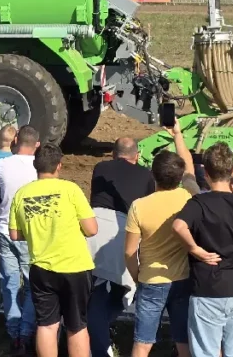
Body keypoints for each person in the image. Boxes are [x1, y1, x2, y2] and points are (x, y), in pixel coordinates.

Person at [172, 142, 233, 357]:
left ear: (205, 172)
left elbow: (178, 225)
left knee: (206, 351)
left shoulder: (199, 203)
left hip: (209, 287)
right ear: (232, 172)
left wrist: (195, 249)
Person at [9, 143, 97, 357]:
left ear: (35, 165)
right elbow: (92, 229)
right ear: (59, 165)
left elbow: (15, 234)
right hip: (74, 266)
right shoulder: (70, 189)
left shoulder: (22, 194)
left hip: (41, 267)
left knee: (47, 325)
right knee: (76, 326)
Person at [124, 122, 196, 357]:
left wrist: (137, 276)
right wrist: (178, 135)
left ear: (152, 175)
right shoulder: (188, 197)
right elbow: (190, 171)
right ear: (179, 176)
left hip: (151, 279)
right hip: (182, 278)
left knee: (142, 343)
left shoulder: (139, 206)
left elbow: (129, 252)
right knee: (184, 342)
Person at [87, 137, 153, 357]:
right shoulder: (146, 174)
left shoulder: (100, 167)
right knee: (124, 288)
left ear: (113, 154)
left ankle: (98, 333)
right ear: (136, 156)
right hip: (124, 230)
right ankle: (100, 338)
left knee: (97, 288)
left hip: (94, 228)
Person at [0, 125, 40, 355]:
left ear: (16, 140)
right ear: (36, 144)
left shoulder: (2, 163)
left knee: (9, 283)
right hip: (30, 234)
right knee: (31, 285)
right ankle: (25, 334)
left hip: (6, 229)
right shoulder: (40, 168)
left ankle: (13, 332)